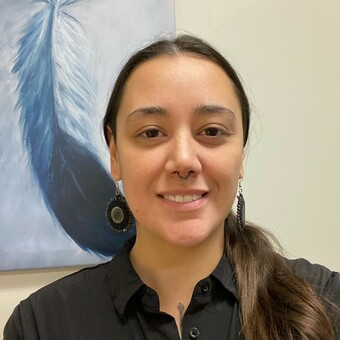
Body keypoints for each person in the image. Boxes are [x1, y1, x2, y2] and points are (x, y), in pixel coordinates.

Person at [4, 35, 340, 340]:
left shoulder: (326, 301)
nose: (184, 161)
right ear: (115, 153)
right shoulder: (41, 324)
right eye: (151, 133)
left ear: (241, 156)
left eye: (211, 131)